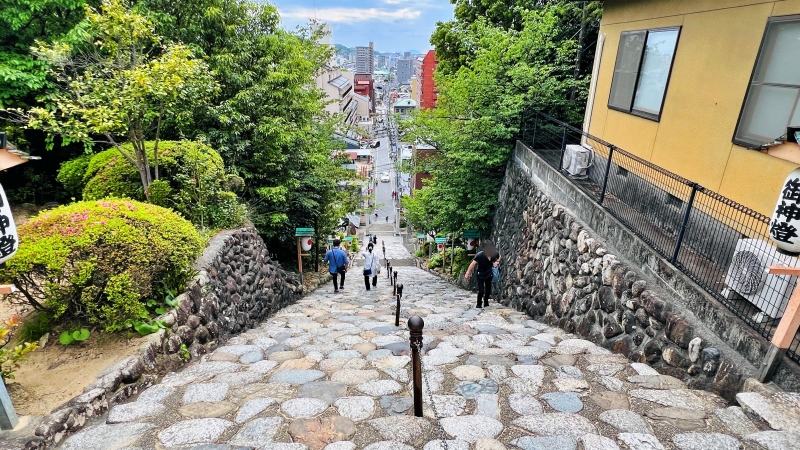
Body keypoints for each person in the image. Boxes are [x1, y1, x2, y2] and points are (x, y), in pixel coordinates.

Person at [464, 240, 502, 309]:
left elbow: (499, 256)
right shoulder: (480, 255)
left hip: (489, 274)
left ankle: (486, 302)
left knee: (488, 289)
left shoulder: (494, 254)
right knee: (481, 290)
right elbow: (473, 264)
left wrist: (497, 261)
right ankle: (479, 303)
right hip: (480, 274)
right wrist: (468, 273)